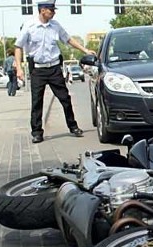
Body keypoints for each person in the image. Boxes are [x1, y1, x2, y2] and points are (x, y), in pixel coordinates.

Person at [14, 0, 96, 144]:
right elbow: (18, 47)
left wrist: (85, 50)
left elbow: (68, 40)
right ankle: (37, 133)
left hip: (54, 69)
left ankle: (73, 126)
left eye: (53, 9)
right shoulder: (29, 26)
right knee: (37, 102)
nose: (53, 12)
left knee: (65, 99)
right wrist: (19, 68)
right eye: (51, 10)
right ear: (42, 10)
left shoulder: (55, 26)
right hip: (38, 70)